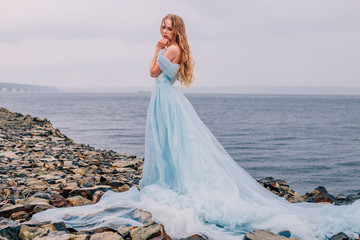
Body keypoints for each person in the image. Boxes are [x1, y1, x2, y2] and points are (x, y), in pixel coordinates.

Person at [32, 14, 360, 240]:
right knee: (170, 144)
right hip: (163, 99)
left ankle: (172, 181)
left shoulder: (171, 49)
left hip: (165, 100)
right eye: (162, 26)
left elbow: (152, 73)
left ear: (177, 32)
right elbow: (152, 73)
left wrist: (158, 49)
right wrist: (156, 50)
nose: (164, 31)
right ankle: (170, 178)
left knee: (170, 143)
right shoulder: (170, 49)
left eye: (169, 28)